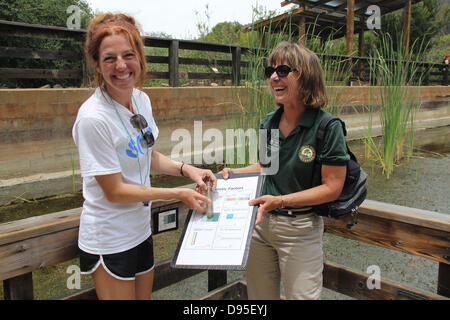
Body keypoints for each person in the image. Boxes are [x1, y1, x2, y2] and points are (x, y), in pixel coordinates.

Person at [72, 13, 216, 300]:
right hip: (110, 237)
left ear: (140, 57)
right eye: (109, 58)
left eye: (128, 54)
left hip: (140, 230)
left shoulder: (141, 100)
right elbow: (114, 191)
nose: (121, 65)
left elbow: (145, 155)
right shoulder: (92, 118)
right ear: (96, 64)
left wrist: (188, 170)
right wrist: (179, 194)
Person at [220, 41, 349, 300]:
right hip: (260, 227)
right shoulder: (270, 122)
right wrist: (235, 173)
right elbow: (267, 166)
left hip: (300, 230)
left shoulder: (327, 126)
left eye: (283, 70)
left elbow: (332, 188)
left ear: (306, 77)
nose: (274, 77)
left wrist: (280, 200)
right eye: (271, 71)